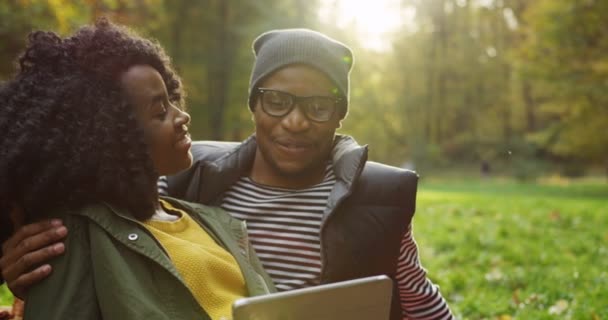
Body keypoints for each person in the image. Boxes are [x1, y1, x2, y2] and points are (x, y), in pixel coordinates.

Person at [1, 28, 453, 319]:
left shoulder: (375, 199)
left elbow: (418, 299)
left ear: (339, 116)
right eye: (277, 101)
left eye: (319, 106)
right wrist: (15, 269)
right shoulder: (184, 182)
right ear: (254, 104)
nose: (295, 122)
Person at [0, 20, 274, 320]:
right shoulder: (77, 235)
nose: (182, 116)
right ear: (110, 138)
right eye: (160, 111)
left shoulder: (216, 223)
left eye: (172, 100)